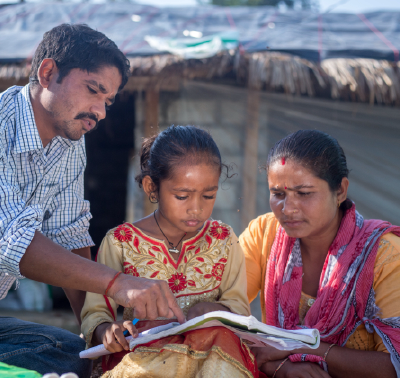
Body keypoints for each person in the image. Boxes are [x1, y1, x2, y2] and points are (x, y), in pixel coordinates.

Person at [0, 24, 184, 377]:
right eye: (93, 91)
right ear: (48, 72)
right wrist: (118, 283)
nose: (99, 111)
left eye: (107, 101)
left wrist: (98, 330)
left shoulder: (68, 143)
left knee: (83, 359)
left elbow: (69, 235)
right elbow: (12, 243)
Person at [81, 125, 256, 378]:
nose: (196, 208)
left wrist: (215, 310)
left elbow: (239, 305)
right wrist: (107, 330)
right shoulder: (120, 242)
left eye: (208, 196)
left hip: (211, 359)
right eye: (182, 196)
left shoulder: (224, 240)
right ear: (152, 187)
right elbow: (95, 311)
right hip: (145, 359)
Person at [240, 130, 400, 378]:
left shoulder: (385, 255)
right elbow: (221, 313)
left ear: (340, 191)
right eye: (278, 194)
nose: (288, 208)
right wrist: (279, 367)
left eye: (304, 194)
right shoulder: (264, 233)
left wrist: (306, 347)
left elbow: (394, 365)